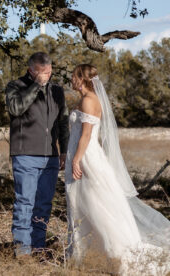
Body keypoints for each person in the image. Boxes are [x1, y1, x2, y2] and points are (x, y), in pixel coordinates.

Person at [65, 64, 170, 275]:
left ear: (82, 79)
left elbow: (86, 135)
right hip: (84, 153)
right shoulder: (85, 99)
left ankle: (116, 251)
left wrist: (76, 160)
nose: (71, 80)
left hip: (85, 156)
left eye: (74, 77)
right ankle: (86, 252)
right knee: (84, 200)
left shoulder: (88, 100)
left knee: (96, 203)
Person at [5, 52, 69, 257]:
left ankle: (38, 247)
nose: (46, 77)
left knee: (44, 204)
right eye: (42, 73)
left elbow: (63, 123)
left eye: (49, 73)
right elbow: (15, 109)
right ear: (31, 70)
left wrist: (65, 150)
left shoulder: (57, 91)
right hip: (25, 154)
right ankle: (22, 252)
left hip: (51, 156)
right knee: (25, 202)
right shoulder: (15, 86)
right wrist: (36, 86)